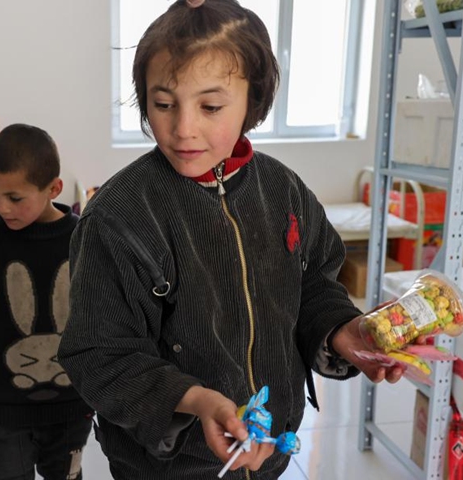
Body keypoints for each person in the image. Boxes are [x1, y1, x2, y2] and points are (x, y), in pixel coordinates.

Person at [57, 1, 403, 479]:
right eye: (163, 104)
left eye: (211, 106)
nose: (182, 128)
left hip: (268, 449)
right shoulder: (119, 217)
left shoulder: (283, 191)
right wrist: (196, 400)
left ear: (252, 100)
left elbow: (315, 285)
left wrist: (342, 331)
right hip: (167, 465)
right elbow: (98, 354)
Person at [0, 123, 92, 480]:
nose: (2, 207)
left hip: (72, 403)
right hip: (5, 405)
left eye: (15, 198)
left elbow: (100, 317)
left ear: (53, 189)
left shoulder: (84, 240)